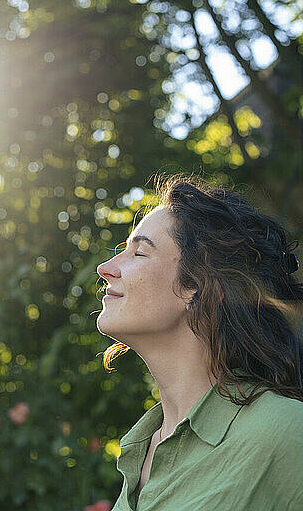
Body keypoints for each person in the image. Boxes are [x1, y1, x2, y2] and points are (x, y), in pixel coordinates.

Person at [96, 173, 303, 511]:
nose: (106, 268)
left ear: (198, 286)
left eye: (139, 253)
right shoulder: (140, 449)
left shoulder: (285, 432)